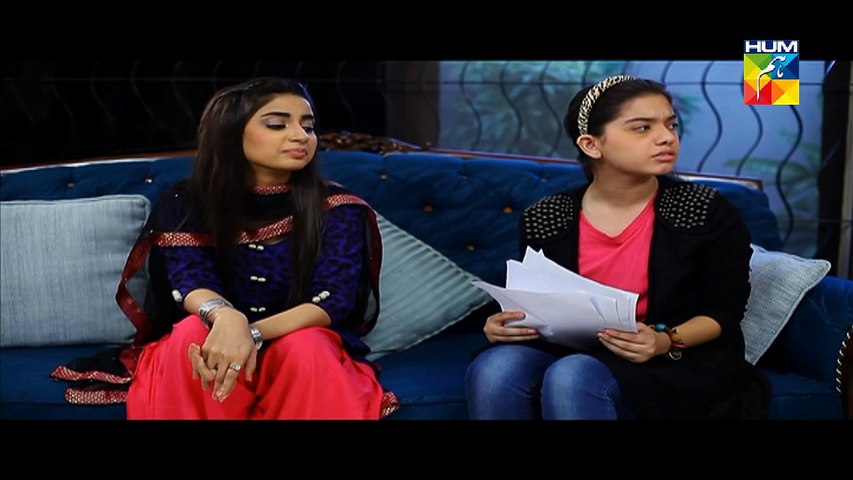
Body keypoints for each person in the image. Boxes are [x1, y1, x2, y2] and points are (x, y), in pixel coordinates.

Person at [465, 75, 771, 420]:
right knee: (495, 369)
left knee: (572, 376)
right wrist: (505, 323)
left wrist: (666, 340)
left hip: (670, 356)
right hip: (571, 347)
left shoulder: (704, 210)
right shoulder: (548, 215)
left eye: (671, 124)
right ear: (591, 145)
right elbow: (536, 300)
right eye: (642, 128)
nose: (666, 137)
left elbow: (725, 311)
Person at [108, 77, 397, 419]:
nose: (301, 136)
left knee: (307, 345)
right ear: (231, 133)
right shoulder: (185, 200)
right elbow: (190, 279)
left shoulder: (338, 207)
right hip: (210, 341)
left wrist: (249, 334)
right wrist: (225, 318)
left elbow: (334, 301)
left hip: (297, 348)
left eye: (308, 127)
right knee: (191, 333)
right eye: (277, 124)